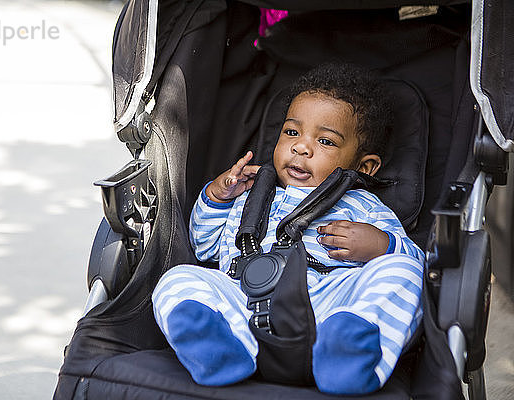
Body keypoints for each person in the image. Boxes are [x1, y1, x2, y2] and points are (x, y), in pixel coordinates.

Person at [152, 64, 424, 395]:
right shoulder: (250, 194)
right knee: (177, 279)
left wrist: (381, 245)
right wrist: (216, 198)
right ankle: (218, 349)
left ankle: (348, 355)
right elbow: (204, 247)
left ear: (364, 166)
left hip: (326, 309)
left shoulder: (364, 207)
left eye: (324, 140)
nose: (301, 148)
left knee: (405, 270)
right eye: (292, 133)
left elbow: (414, 261)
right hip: (242, 304)